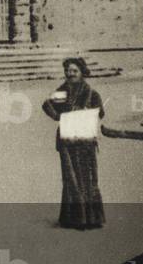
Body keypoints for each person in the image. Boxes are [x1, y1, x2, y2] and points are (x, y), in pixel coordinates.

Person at [42, 57, 105, 230]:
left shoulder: (91, 93)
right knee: (71, 178)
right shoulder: (63, 91)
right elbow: (46, 104)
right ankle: (75, 219)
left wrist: (89, 113)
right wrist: (58, 116)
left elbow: (101, 112)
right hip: (67, 141)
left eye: (74, 71)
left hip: (85, 141)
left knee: (89, 178)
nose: (70, 74)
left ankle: (92, 218)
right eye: (68, 71)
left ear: (82, 73)